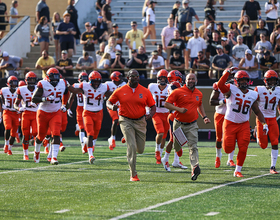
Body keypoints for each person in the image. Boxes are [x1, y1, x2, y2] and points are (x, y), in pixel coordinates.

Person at [106, 69, 156, 181]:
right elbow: (108, 102)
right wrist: (111, 106)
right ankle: (133, 174)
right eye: (133, 76)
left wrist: (151, 115)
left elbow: (152, 106)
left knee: (141, 149)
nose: (136, 78)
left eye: (137, 76)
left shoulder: (145, 91)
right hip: (125, 120)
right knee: (132, 147)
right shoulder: (120, 90)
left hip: (140, 121)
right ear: (128, 77)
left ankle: (128, 137)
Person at [217, 68, 267, 177]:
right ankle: (230, 160)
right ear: (236, 81)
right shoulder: (231, 89)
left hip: (244, 124)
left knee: (244, 147)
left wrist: (264, 123)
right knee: (227, 148)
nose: (244, 82)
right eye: (241, 80)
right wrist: (227, 73)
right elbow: (220, 85)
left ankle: (238, 170)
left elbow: (257, 111)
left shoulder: (253, 94)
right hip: (230, 123)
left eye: (245, 80)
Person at [164, 73, 211, 181]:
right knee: (177, 147)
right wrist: (179, 109)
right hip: (179, 124)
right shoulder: (178, 92)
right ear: (185, 81)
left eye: (193, 79)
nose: (191, 81)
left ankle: (195, 167)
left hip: (192, 124)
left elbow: (199, 104)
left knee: (193, 146)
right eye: (189, 79)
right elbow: (166, 104)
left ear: (196, 80)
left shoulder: (198, 93)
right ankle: (175, 156)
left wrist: (204, 117)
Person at [68, 71, 112, 164]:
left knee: (95, 135)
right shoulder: (85, 86)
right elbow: (75, 91)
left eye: (97, 81)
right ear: (90, 80)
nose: (96, 83)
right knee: (90, 134)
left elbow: (111, 94)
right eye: (94, 81)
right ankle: (90, 155)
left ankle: (86, 145)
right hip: (87, 112)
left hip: (99, 113)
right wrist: (67, 85)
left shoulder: (104, 86)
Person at [32, 68, 68, 165]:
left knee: (56, 134)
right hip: (43, 112)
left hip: (56, 112)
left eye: (57, 77)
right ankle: (37, 151)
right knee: (41, 136)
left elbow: (66, 93)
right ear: (47, 77)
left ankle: (54, 158)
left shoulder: (63, 83)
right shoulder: (42, 84)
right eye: (53, 77)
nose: (55, 80)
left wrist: (64, 105)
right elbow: (34, 99)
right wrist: (45, 98)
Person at [209, 69, 236, 168]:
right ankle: (218, 157)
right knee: (219, 138)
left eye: (232, 76)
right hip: (220, 114)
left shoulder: (236, 86)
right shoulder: (218, 85)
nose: (230, 78)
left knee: (232, 137)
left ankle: (230, 159)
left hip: (232, 115)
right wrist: (223, 101)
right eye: (228, 76)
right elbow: (211, 101)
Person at [254, 70, 280, 174]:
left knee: (275, 141)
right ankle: (256, 132)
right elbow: (253, 103)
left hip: (273, 118)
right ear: (265, 80)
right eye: (271, 80)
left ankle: (273, 166)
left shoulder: (278, 90)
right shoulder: (259, 89)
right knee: (263, 145)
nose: (273, 82)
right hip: (261, 119)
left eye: (274, 80)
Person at [14, 72, 38, 160]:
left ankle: (36, 152)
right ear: (26, 80)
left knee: (35, 132)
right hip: (26, 113)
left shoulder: (39, 88)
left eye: (33, 80)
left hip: (36, 113)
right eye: (30, 80)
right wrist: (19, 108)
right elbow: (15, 104)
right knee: (26, 134)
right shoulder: (21, 89)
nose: (31, 82)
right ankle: (25, 154)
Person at [148, 69, 170, 164]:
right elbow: (147, 98)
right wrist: (146, 110)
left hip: (167, 113)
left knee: (164, 136)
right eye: (160, 78)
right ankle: (157, 150)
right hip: (156, 112)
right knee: (160, 132)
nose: (162, 80)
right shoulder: (152, 87)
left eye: (164, 78)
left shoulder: (170, 87)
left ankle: (159, 155)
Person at [67, 72, 88, 154]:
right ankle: (83, 146)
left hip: (88, 108)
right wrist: (68, 108)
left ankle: (78, 127)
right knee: (82, 128)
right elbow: (71, 98)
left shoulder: (90, 86)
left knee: (86, 128)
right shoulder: (76, 86)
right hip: (80, 108)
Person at [105, 71, 126, 150]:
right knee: (116, 120)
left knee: (124, 120)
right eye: (119, 77)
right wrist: (114, 93)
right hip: (112, 105)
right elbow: (104, 92)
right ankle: (112, 138)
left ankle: (125, 135)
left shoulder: (124, 84)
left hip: (121, 105)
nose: (121, 78)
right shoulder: (108, 84)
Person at [0, 76, 19, 155]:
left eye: (15, 83)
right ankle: (6, 144)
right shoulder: (4, 90)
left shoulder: (19, 90)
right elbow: (1, 98)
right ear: (8, 84)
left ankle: (10, 149)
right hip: (7, 112)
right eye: (12, 83)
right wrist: (3, 105)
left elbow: (23, 100)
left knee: (13, 133)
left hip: (16, 113)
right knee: (7, 127)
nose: (14, 85)